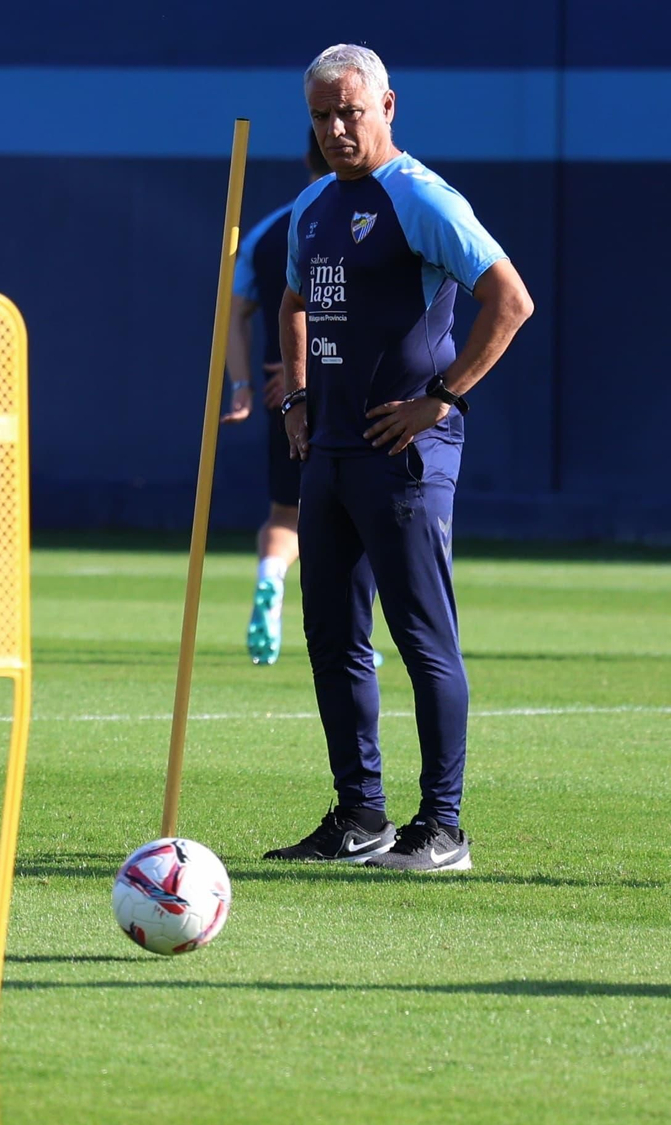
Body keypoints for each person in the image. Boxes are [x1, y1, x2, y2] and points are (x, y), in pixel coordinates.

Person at [263, 44, 533, 871]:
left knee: (422, 639)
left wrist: (443, 399)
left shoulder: (419, 198)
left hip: (407, 451)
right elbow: (294, 303)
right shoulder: (312, 206)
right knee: (333, 635)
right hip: (333, 452)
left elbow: (509, 299)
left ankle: (442, 827)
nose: (338, 127)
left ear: (387, 105)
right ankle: (359, 816)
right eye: (322, 114)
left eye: (351, 110)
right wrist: (295, 400)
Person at [221, 131, 331, 666]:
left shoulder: (267, 231)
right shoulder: (370, 217)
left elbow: (232, 318)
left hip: (285, 395)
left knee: (286, 512)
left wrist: (243, 389)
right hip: (350, 397)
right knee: (354, 518)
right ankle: (345, 632)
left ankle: (271, 579)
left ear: (303, 157)